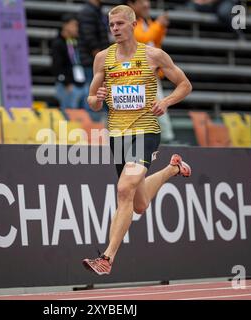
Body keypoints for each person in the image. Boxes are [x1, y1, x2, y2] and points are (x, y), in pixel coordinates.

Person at [82, 5, 193, 275]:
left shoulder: (154, 55)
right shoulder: (102, 59)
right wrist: (98, 99)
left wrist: (165, 101)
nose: (115, 29)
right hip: (117, 135)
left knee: (124, 190)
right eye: (112, 25)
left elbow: (185, 85)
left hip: (145, 131)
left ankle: (106, 258)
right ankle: (173, 168)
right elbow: (92, 101)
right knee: (139, 203)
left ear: (133, 24)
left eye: (120, 24)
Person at [126, 0, 175, 143]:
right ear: (131, 4)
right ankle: (165, 141)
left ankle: (165, 141)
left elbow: (155, 42)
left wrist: (161, 28)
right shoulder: (127, 21)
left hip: (150, 73)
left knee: (157, 110)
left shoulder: (145, 20)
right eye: (142, 1)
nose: (147, 4)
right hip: (135, 75)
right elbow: (142, 38)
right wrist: (158, 24)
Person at [77, 0, 110, 120]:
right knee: (93, 95)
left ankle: (100, 128)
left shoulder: (97, 10)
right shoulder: (88, 12)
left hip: (97, 61)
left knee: (101, 95)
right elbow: (89, 37)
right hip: (92, 62)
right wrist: (101, 58)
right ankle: (92, 128)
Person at [51, 14, 87, 110]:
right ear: (65, 25)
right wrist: (66, 83)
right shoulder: (58, 43)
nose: (76, 28)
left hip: (80, 83)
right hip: (68, 85)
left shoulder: (75, 42)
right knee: (68, 115)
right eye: (74, 25)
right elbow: (56, 66)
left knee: (84, 116)